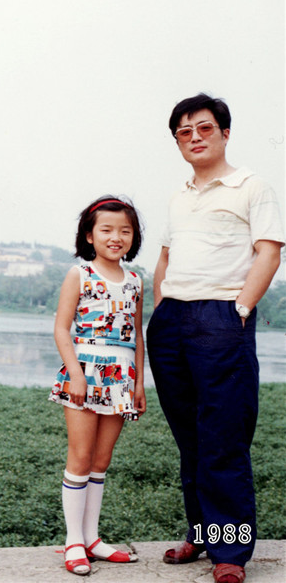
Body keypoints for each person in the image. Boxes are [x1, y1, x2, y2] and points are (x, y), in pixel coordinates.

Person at [146, 93, 285, 583]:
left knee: (223, 437)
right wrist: (161, 307)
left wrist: (241, 308)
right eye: (184, 132)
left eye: (204, 128)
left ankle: (231, 553)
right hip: (173, 323)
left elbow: (268, 253)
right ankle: (202, 533)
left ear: (224, 133)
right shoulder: (179, 195)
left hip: (221, 318)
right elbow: (164, 256)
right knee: (191, 438)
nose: (194, 138)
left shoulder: (252, 187)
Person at [48, 195, 146, 576]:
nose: (115, 237)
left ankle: (92, 539)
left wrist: (138, 384)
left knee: (101, 462)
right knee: (80, 457)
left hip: (121, 377)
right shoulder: (80, 274)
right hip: (84, 373)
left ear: (133, 236)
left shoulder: (136, 280)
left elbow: (137, 335)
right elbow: (61, 327)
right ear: (90, 235)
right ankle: (74, 541)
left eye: (125, 230)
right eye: (106, 230)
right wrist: (75, 373)